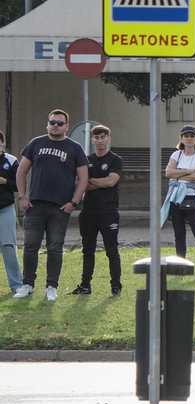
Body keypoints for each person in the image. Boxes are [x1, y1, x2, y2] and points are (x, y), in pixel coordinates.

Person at [14, 109, 90, 300]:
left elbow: (83, 178)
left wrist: (74, 202)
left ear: (67, 126)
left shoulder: (75, 148)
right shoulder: (36, 143)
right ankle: (27, 285)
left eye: (60, 123)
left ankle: (51, 287)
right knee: (30, 246)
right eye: (52, 122)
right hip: (35, 205)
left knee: (55, 248)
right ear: (47, 124)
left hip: (60, 207)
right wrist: (22, 196)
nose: (55, 126)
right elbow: (21, 171)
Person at [68, 125, 123, 297]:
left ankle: (115, 286)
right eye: (96, 138)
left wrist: (90, 181)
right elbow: (80, 184)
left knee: (111, 250)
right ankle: (85, 286)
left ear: (108, 139)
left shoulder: (115, 160)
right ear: (92, 140)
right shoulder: (86, 160)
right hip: (89, 212)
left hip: (108, 211)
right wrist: (96, 182)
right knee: (87, 250)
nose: (100, 141)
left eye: (103, 137)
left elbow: (111, 182)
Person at [160, 124, 195, 276]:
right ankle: (181, 266)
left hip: (192, 198)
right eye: (186, 136)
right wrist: (189, 171)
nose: (189, 139)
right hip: (176, 199)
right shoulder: (176, 155)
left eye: (192, 136)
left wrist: (178, 174)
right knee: (179, 234)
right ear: (181, 138)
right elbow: (168, 173)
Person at [0, 130, 21, 292]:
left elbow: (19, 185)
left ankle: (17, 285)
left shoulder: (11, 160)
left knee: (8, 247)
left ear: (2, 143)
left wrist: (5, 181)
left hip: (5, 209)